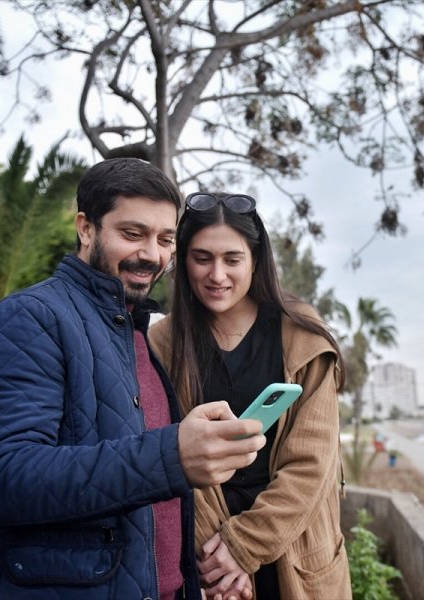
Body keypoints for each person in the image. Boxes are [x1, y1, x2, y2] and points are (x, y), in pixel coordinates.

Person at [0, 159, 267, 600]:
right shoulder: (28, 319)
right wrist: (172, 456)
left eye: (165, 239)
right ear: (86, 228)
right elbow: (0, 480)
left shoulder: (138, 334)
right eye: (132, 233)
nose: (152, 254)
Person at [149, 191, 352, 600]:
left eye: (232, 259)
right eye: (202, 258)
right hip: (208, 559)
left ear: (255, 261)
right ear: (183, 261)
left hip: (295, 548)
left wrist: (245, 546)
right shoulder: (162, 343)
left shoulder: (302, 334)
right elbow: (166, 453)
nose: (217, 274)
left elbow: (312, 462)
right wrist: (220, 558)